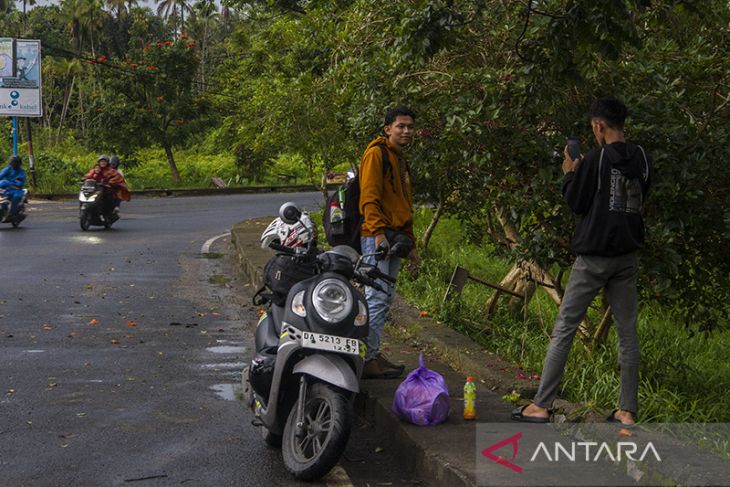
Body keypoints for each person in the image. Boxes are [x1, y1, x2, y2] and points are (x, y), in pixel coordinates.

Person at [511, 97, 651, 426]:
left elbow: (576, 203)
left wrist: (570, 173)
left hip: (593, 258)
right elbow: (642, 192)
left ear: (599, 126)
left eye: (594, 127)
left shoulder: (597, 159)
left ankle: (541, 405)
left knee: (565, 327)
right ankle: (627, 411)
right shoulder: (641, 156)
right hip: (627, 255)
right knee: (627, 332)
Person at [359, 105, 421, 379]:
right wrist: (379, 235)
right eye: (401, 126)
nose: (406, 131)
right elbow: (369, 198)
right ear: (387, 129)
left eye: (410, 127)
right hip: (377, 237)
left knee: (385, 298)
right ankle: (366, 359)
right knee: (376, 297)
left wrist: (412, 245)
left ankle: (372, 353)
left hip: (395, 238)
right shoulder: (376, 154)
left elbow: (403, 205)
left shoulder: (399, 159)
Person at [0, 155, 26, 222]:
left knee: (16, 196)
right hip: (5, 188)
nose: (14, 164)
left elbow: (21, 179)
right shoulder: (7, 169)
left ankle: (13, 213)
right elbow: (1, 175)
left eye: (16, 162)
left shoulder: (21, 171)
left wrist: (17, 182)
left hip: (15, 189)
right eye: (13, 162)